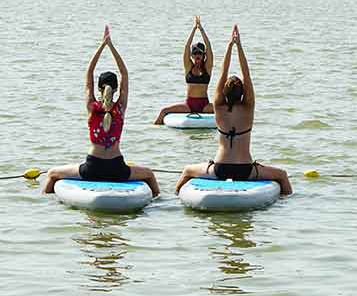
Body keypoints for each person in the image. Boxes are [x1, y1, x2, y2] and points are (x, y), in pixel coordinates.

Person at [175, 25, 293, 195]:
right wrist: (239, 46)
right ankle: (285, 205)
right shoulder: (248, 108)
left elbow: (223, 72)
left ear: (223, 92)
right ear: (243, 93)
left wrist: (230, 46)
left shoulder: (219, 107)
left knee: (187, 170)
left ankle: (173, 200)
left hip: (220, 168)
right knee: (282, 175)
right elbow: (247, 74)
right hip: (245, 169)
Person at [43, 26, 160, 196]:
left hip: (92, 168)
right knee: (149, 174)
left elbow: (89, 73)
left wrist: (102, 45)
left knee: (52, 173)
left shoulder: (92, 106)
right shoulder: (120, 107)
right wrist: (111, 46)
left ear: (99, 89)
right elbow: (124, 74)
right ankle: (158, 204)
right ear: (116, 88)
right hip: (117, 168)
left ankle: (47, 207)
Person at [154, 15, 214, 124]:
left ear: (204, 55)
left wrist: (201, 29)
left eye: (200, 53)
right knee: (163, 111)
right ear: (192, 55)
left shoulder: (207, 68)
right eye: (195, 53)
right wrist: (193, 29)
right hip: (189, 105)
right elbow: (187, 47)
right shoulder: (188, 67)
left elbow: (209, 46)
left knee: (228, 109)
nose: (197, 55)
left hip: (205, 105)